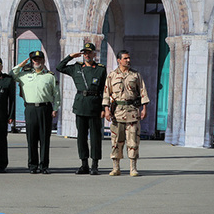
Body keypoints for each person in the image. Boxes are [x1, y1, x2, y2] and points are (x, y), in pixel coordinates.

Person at [56, 42, 107, 175]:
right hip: (80, 105)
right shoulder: (76, 68)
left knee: (95, 136)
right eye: (84, 53)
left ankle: (95, 164)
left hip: (95, 106)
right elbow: (59, 67)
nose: (87, 55)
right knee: (81, 136)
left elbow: (104, 90)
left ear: (94, 54)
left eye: (89, 52)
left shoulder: (100, 69)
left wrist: (103, 108)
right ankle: (84, 164)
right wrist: (70, 56)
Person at [102, 50, 149, 177]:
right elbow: (106, 94)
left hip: (132, 112)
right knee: (116, 141)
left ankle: (133, 168)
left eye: (129, 58)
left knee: (133, 141)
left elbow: (142, 91)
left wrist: (144, 108)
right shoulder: (112, 76)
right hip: (117, 113)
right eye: (125, 58)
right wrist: (106, 110)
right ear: (119, 60)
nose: (128, 60)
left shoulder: (135, 75)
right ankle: (116, 167)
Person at [13, 50, 60, 174]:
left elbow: (56, 94)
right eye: (34, 59)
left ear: (43, 61)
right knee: (31, 137)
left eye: (39, 59)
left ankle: (44, 165)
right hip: (30, 109)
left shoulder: (50, 76)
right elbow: (12, 74)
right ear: (32, 61)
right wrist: (21, 65)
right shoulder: (24, 75)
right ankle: (33, 165)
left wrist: (55, 108)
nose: (36, 61)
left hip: (45, 108)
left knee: (44, 138)